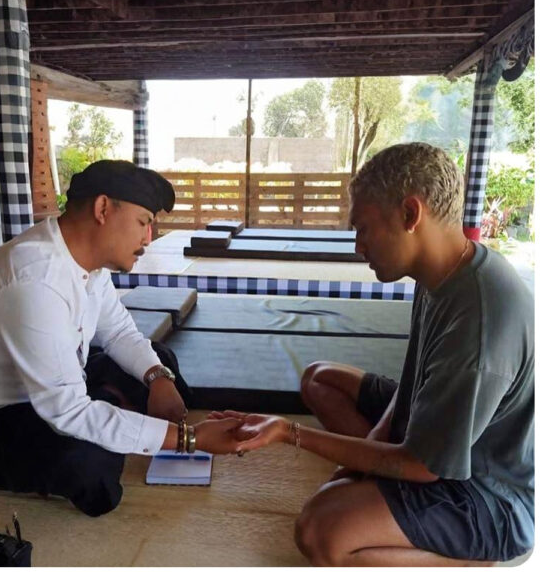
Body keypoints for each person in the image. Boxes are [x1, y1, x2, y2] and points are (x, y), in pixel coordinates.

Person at [211, 143, 534, 565]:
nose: (358, 247)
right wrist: (362, 458)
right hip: (436, 427)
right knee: (320, 378)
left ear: (409, 215)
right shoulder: (440, 273)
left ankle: (468, 561)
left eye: (362, 229)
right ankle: (382, 482)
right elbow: (411, 386)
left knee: (320, 530)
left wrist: (292, 434)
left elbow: (422, 466)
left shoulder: (479, 318)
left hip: (485, 495)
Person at [0, 160, 243, 517]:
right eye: (143, 222)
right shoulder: (35, 278)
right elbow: (67, 412)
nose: (148, 239)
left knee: (160, 360)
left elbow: (118, 331)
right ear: (103, 209)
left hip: (42, 386)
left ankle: (113, 408)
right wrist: (189, 439)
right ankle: (111, 409)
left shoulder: (89, 264)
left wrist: (158, 379)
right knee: (90, 466)